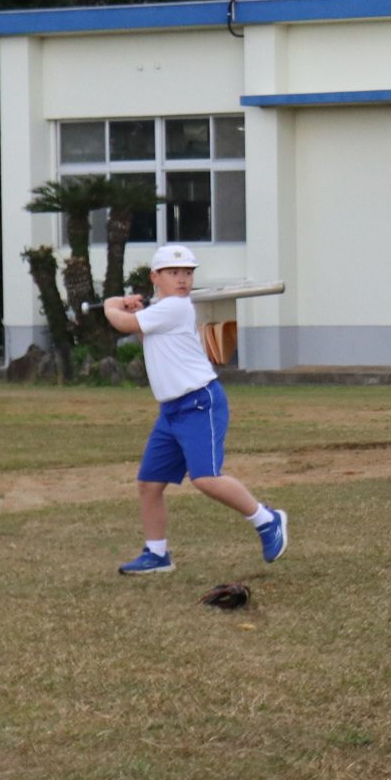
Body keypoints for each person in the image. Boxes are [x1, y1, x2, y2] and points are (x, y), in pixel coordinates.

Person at [102, 244, 289, 576]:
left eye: (188, 273)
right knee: (149, 483)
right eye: (174, 273)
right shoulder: (162, 310)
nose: (183, 279)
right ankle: (157, 554)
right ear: (155, 277)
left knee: (205, 478)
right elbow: (145, 331)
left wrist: (111, 304)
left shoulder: (175, 307)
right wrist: (136, 311)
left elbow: (124, 324)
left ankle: (267, 520)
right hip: (171, 410)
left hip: (199, 402)